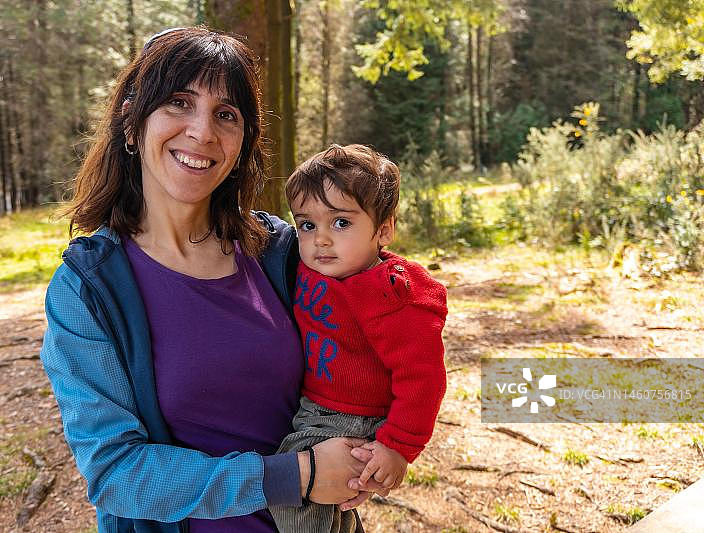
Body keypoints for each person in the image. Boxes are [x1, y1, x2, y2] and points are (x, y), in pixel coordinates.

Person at [39, 27, 385, 533]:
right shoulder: (90, 289)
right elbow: (115, 473)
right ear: (132, 125)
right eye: (179, 103)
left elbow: (387, 322)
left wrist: (381, 443)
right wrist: (298, 476)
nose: (202, 131)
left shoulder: (281, 252)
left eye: (226, 114)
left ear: (244, 140)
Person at [269, 144, 448, 533]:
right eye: (307, 225)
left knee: (294, 498)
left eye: (341, 223)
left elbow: (423, 378)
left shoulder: (392, 295)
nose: (321, 240)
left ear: (383, 229)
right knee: (331, 508)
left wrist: (398, 447)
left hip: (350, 419)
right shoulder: (310, 268)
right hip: (312, 406)